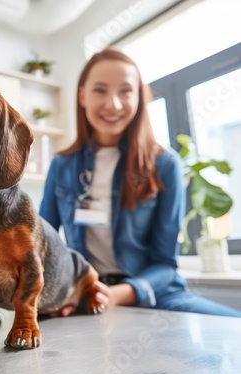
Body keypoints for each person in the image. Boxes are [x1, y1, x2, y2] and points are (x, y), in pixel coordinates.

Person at [39, 48, 241, 317]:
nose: (114, 103)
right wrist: (60, 292)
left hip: (156, 295)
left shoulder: (164, 165)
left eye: (125, 91)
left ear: (138, 98)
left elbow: (165, 263)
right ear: (82, 96)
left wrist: (113, 295)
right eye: (100, 90)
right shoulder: (61, 166)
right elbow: (41, 246)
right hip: (85, 295)